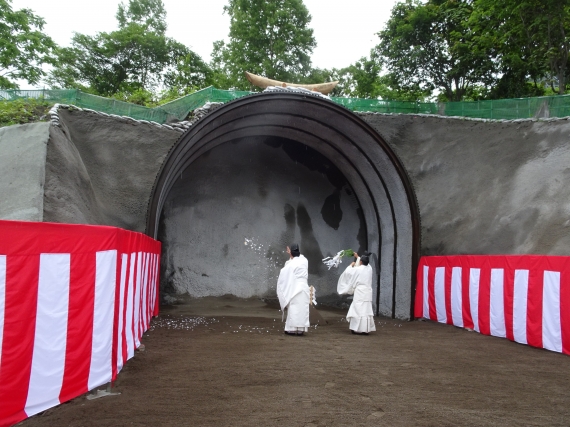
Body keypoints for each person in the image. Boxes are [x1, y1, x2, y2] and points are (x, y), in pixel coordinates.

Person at [337, 252, 376, 335]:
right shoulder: (370, 268)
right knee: (366, 310)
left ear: (361, 262)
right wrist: (357, 257)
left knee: (358, 310)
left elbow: (348, 273)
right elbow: (364, 264)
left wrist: (350, 265)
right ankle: (365, 329)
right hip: (368, 292)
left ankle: (356, 329)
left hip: (360, 292)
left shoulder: (357, 269)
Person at [276, 243, 310, 336]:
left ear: (291, 253)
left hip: (295, 287)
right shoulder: (305, 261)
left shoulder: (291, 264)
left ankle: (291, 329)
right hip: (304, 287)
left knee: (294, 308)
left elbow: (284, 272)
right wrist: (292, 254)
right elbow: (299, 257)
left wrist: (290, 255)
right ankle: (301, 329)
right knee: (302, 308)